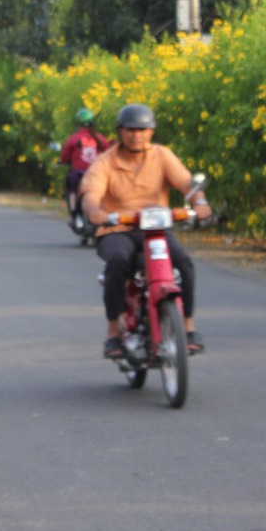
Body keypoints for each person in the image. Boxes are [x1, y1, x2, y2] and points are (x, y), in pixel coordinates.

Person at [79, 103, 212, 360]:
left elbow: (187, 184)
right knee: (118, 262)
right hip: (117, 229)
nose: (136, 135)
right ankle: (113, 332)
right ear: (120, 131)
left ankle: (188, 327)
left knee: (183, 262)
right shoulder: (105, 162)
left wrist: (200, 202)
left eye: (143, 129)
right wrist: (94, 210)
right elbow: (91, 193)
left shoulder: (162, 155)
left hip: (155, 230)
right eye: (130, 129)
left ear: (151, 132)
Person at [59, 108, 112, 221]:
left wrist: (63, 161)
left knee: (72, 190)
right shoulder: (99, 138)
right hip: (96, 174)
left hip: (78, 174)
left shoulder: (74, 139)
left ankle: (74, 214)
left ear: (78, 123)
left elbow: (64, 157)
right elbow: (108, 152)